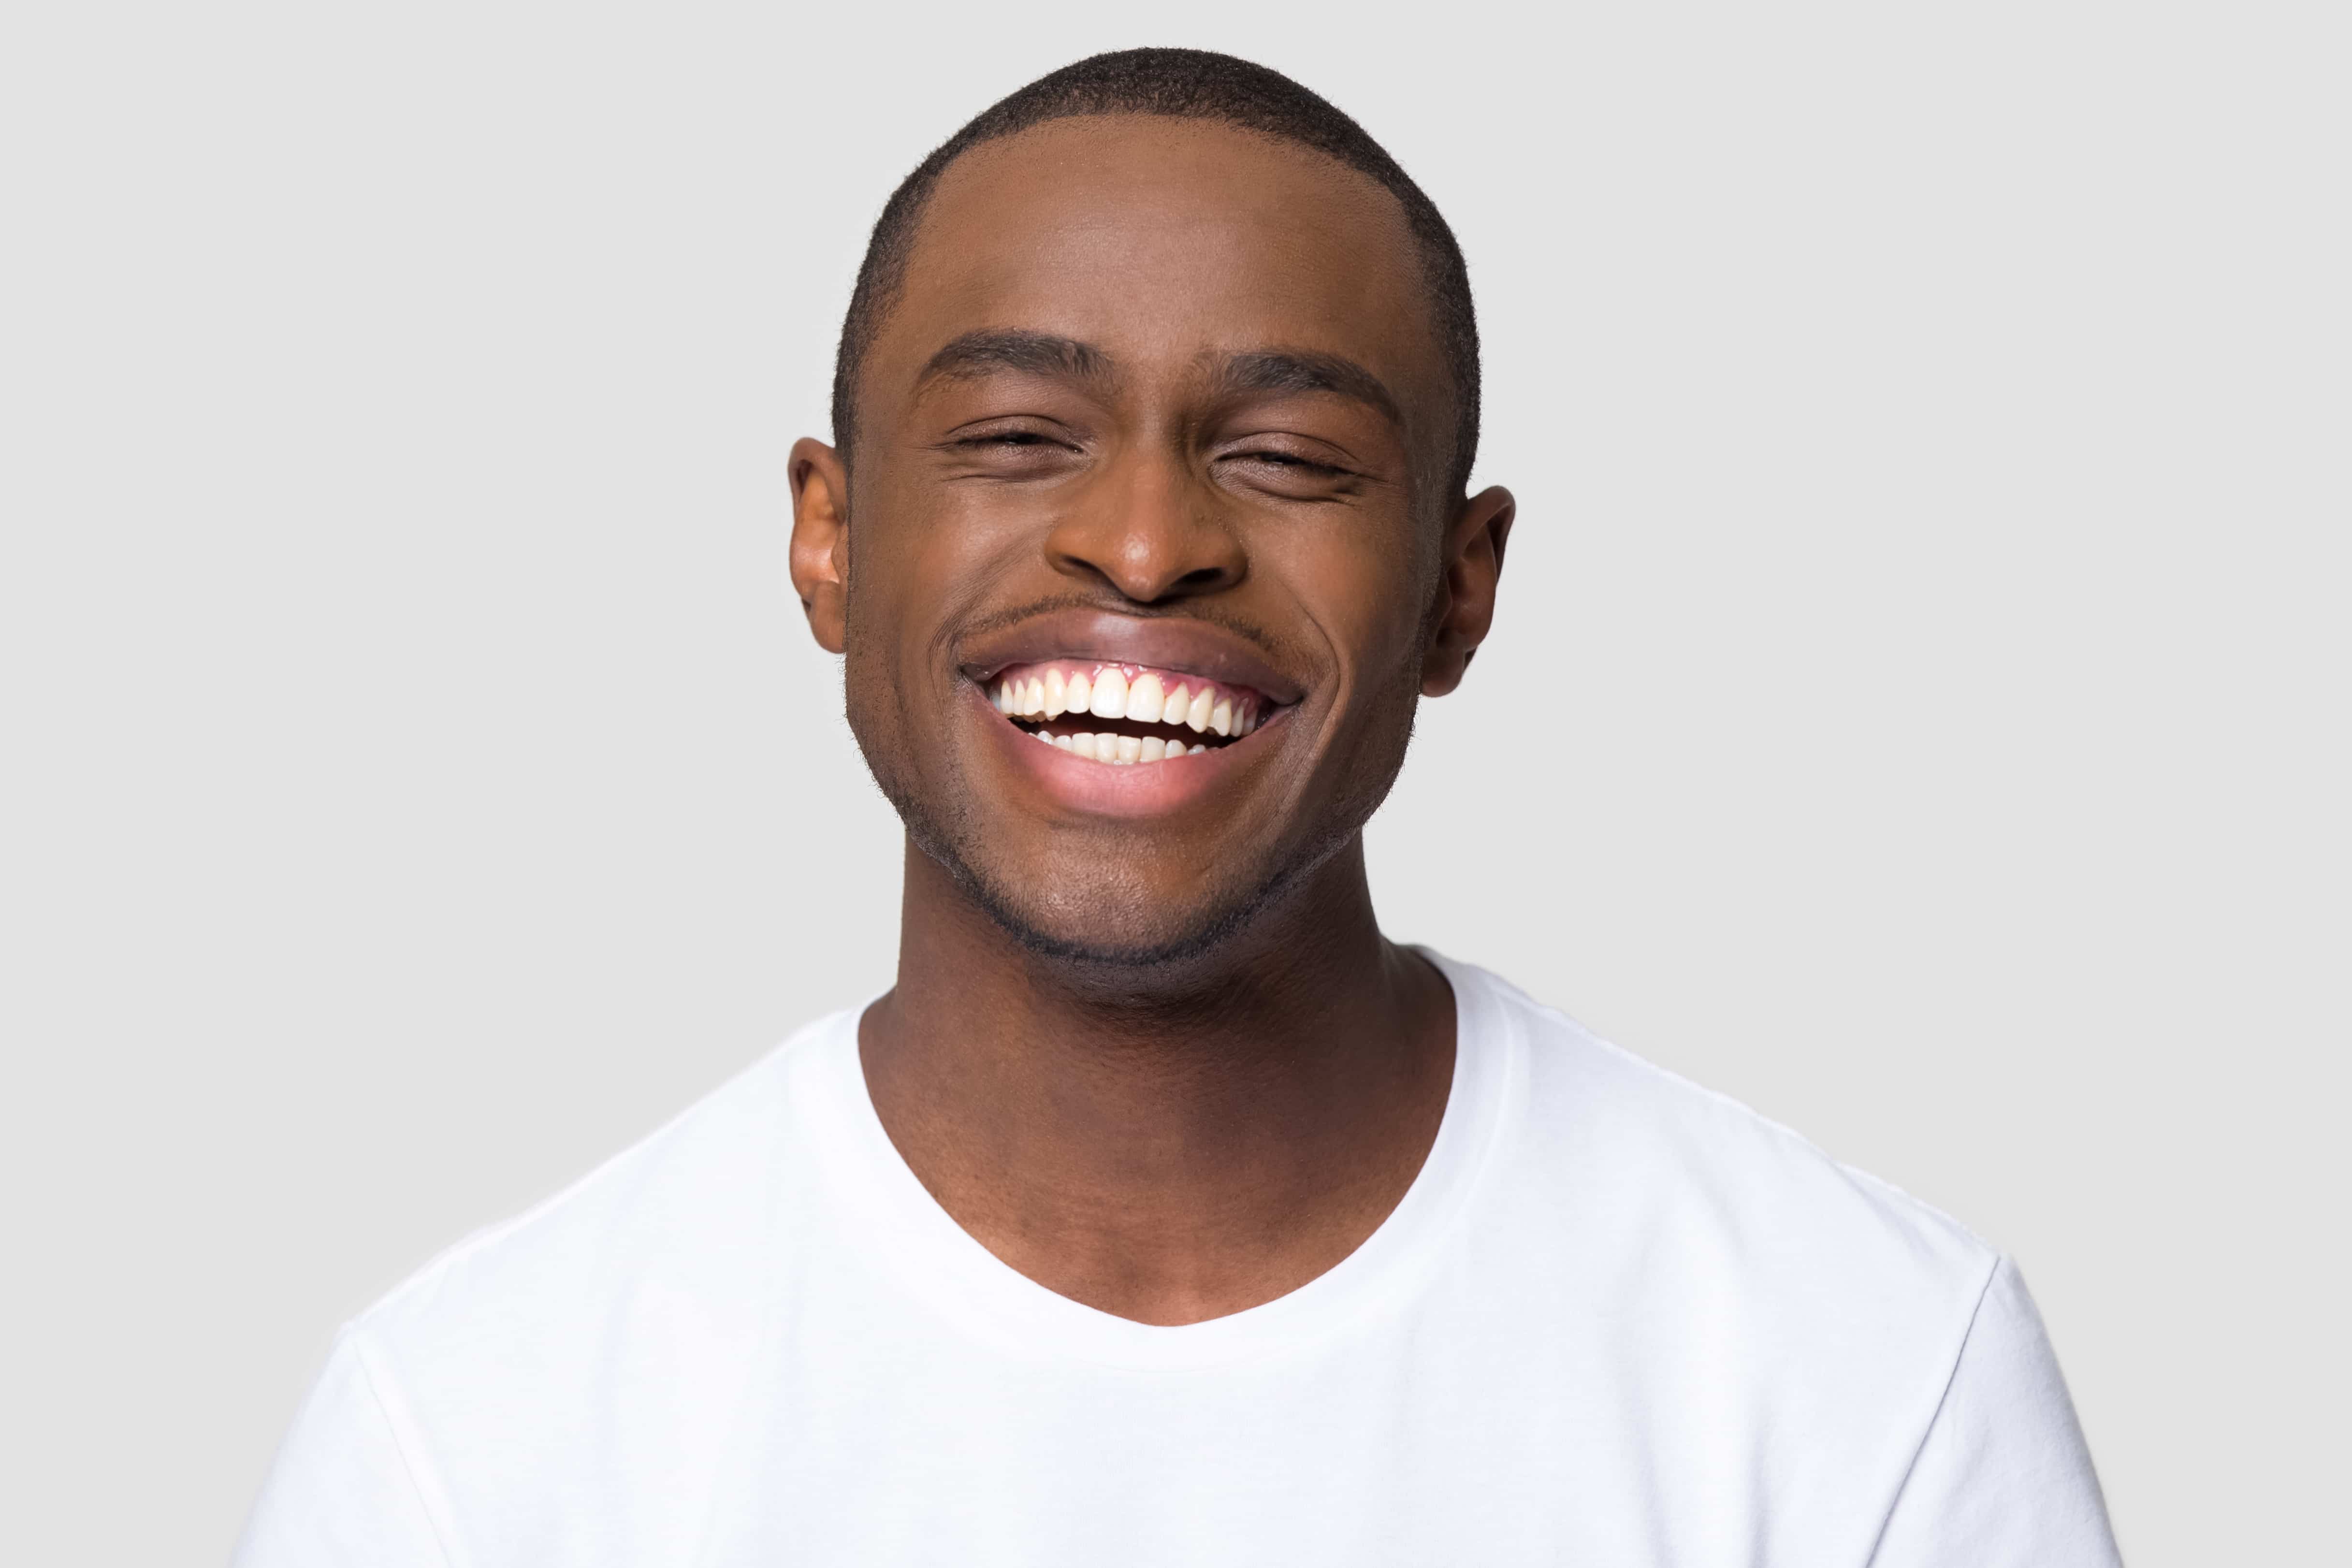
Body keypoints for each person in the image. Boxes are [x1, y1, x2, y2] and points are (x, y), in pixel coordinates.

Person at [235, 47, 2122, 1566]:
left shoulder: (1861, 1371)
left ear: (1457, 589)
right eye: (1013, 438)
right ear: (829, 538)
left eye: (1286, 456)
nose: (1143, 544)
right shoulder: (473, 1438)